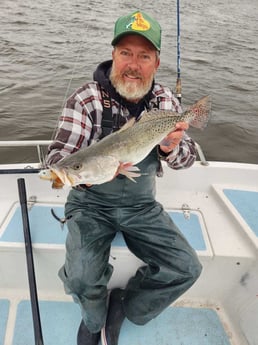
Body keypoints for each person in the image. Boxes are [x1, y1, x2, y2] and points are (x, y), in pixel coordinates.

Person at [47, 10, 202, 345]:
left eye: (144, 56)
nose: (134, 65)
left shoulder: (164, 101)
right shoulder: (85, 99)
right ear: (113, 55)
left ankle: (126, 306)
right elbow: (59, 157)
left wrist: (168, 149)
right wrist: (82, 174)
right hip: (91, 206)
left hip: (141, 205)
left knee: (187, 268)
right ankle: (93, 317)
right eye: (126, 53)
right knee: (80, 278)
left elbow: (187, 159)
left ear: (156, 63)